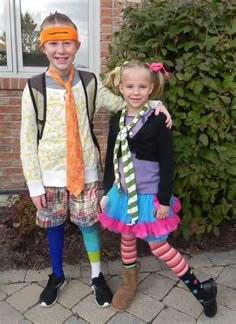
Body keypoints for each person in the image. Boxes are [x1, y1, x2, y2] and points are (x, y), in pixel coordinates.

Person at [20, 13, 172, 308]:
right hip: (49, 174)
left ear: (77, 46)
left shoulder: (89, 81)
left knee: (89, 224)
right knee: (54, 225)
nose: (61, 50)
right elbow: (27, 139)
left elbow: (124, 102)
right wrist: (34, 184)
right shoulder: (34, 88)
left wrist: (154, 102)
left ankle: (96, 275)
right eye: (54, 44)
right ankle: (57, 275)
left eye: (67, 43)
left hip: (86, 171)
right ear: (43, 48)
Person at [99, 60, 217, 318]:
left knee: (159, 247)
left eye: (142, 86)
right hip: (123, 194)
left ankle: (201, 289)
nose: (135, 91)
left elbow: (167, 161)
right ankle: (129, 284)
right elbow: (111, 157)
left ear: (151, 88)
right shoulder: (117, 119)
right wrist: (107, 190)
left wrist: (163, 199)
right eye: (130, 86)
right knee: (127, 239)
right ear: (120, 87)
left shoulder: (157, 119)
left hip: (150, 196)